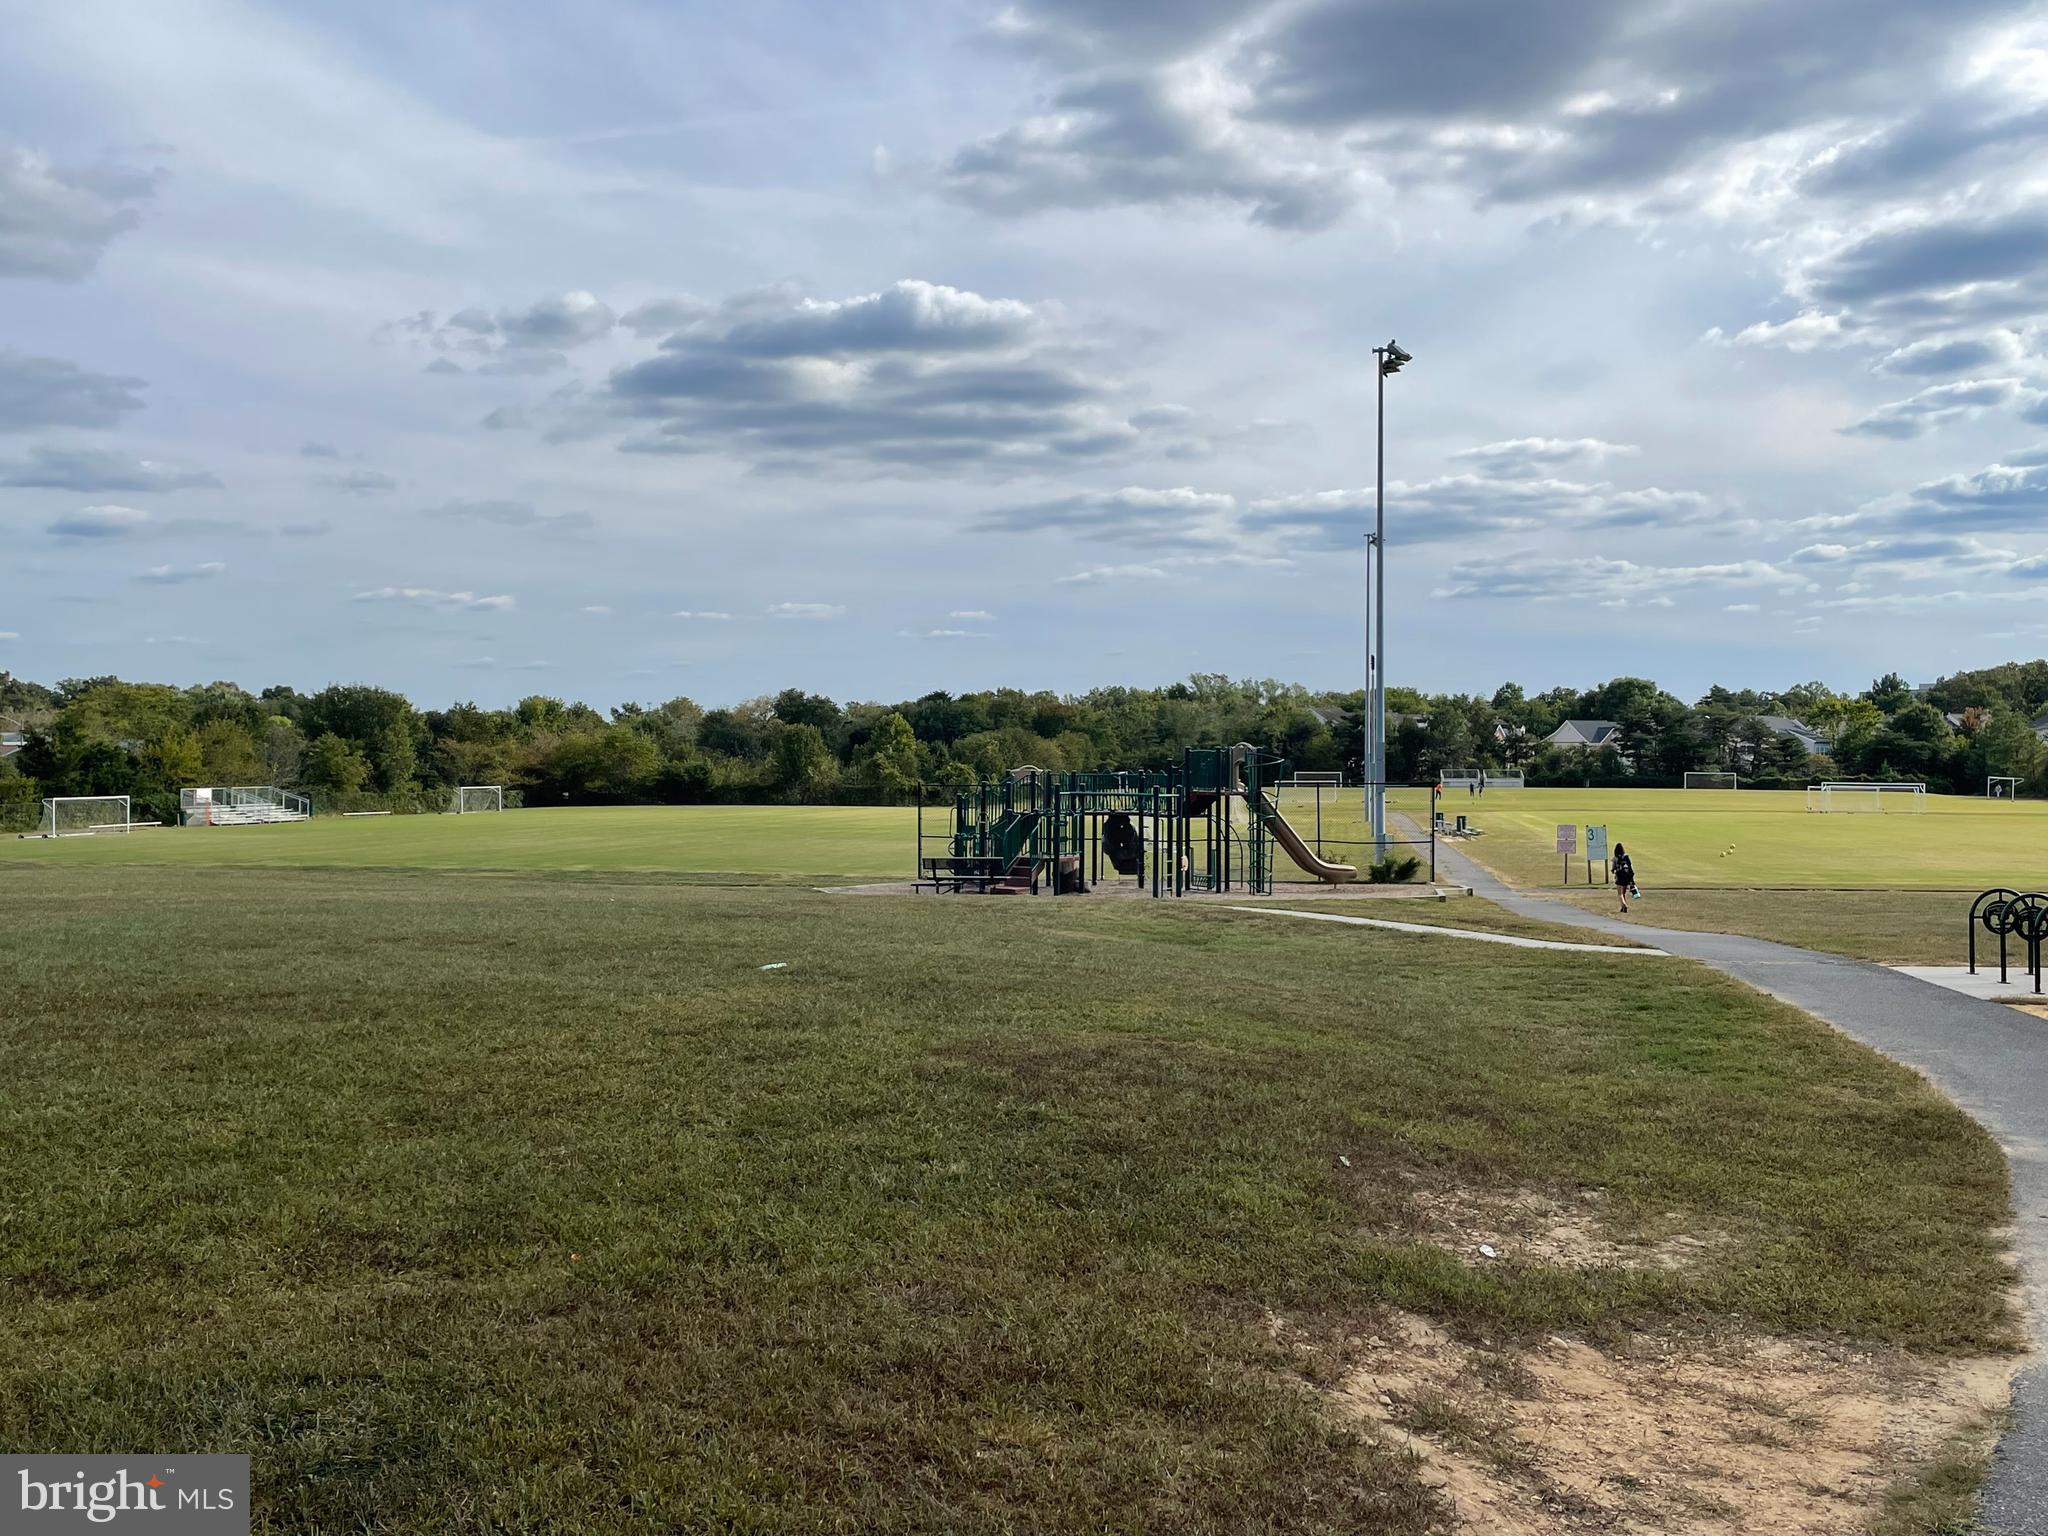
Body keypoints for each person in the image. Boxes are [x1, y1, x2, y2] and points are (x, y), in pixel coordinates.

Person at [1612, 842, 1636, 913]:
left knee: (1620, 893)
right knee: (1624, 892)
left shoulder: (1615, 858)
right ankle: (1622, 907)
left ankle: (1624, 905)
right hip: (1627, 876)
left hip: (1619, 877)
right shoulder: (1626, 857)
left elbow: (1614, 867)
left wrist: (1613, 870)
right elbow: (1630, 867)